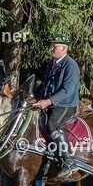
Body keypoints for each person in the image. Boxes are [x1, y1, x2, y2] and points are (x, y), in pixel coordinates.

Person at [32, 36, 81, 169]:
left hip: (66, 105)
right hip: (51, 103)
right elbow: (45, 85)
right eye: (51, 45)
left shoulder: (71, 65)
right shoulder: (51, 64)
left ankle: (69, 161)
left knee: (52, 124)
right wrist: (35, 98)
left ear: (64, 48)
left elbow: (67, 90)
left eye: (55, 46)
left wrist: (48, 101)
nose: (51, 48)